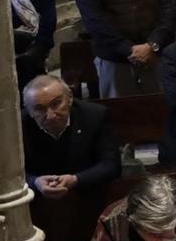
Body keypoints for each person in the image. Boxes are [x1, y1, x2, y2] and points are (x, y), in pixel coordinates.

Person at [21, 72, 119, 204]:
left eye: (56, 104)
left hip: (87, 196)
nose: (50, 116)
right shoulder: (18, 125)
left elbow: (111, 165)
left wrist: (75, 179)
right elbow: (8, 174)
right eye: (39, 109)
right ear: (29, 111)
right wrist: (35, 181)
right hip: (37, 201)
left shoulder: (94, 115)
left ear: (70, 98)